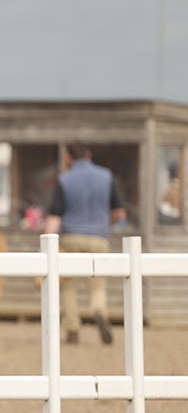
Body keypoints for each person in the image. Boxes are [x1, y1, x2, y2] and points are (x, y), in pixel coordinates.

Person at [44, 144, 126, 345]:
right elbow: (119, 212)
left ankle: (72, 329)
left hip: (71, 236)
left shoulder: (65, 179)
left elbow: (54, 217)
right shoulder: (106, 176)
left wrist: (45, 243)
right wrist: (107, 223)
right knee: (98, 284)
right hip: (99, 237)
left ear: (68, 157)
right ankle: (98, 310)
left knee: (69, 286)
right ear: (89, 155)